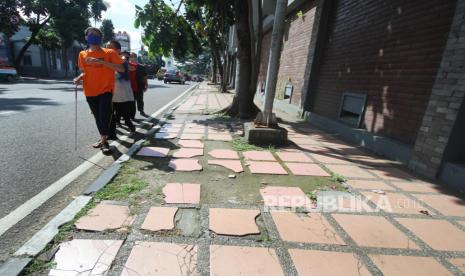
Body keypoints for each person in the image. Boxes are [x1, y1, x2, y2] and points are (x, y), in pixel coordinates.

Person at [74, 27, 124, 154]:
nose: (93, 36)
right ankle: (103, 139)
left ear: (101, 38)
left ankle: (104, 141)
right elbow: (84, 72)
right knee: (97, 117)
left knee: (104, 115)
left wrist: (101, 62)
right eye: (91, 34)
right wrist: (79, 77)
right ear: (86, 37)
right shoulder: (82, 54)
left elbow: (121, 69)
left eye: (97, 35)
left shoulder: (109, 53)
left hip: (106, 89)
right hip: (90, 91)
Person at [107, 42, 136, 133]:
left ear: (118, 50)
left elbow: (128, 68)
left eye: (110, 48)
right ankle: (112, 130)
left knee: (125, 113)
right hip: (110, 91)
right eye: (106, 48)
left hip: (123, 93)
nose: (107, 50)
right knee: (111, 113)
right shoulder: (107, 59)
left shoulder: (122, 59)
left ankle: (129, 124)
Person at [129, 53, 148, 117]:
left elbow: (144, 77)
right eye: (131, 56)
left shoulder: (141, 66)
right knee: (131, 101)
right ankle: (131, 114)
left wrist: (146, 84)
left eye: (134, 56)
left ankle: (141, 110)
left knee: (140, 99)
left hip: (139, 85)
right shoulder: (127, 66)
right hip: (129, 86)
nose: (133, 58)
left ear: (136, 58)